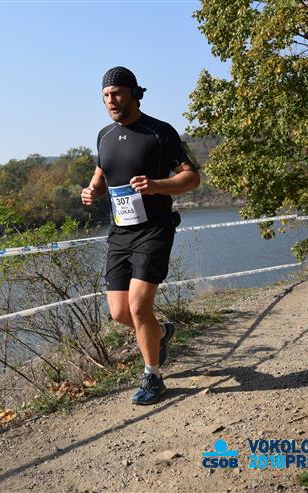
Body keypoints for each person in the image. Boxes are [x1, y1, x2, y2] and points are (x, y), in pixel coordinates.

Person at [81, 67, 200, 405]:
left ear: (134, 93)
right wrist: (92, 190)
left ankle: (152, 375)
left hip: (154, 229)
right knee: (120, 312)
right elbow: (102, 171)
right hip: (120, 232)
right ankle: (160, 333)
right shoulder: (104, 135)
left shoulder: (160, 132)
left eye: (117, 93)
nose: (111, 100)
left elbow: (192, 178)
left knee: (138, 306)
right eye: (105, 95)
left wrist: (156, 185)